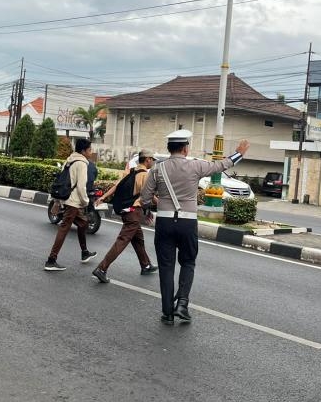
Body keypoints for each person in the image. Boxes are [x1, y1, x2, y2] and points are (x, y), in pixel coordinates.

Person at [140, 130, 250, 324]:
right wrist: (238, 153)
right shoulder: (196, 165)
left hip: (164, 223)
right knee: (188, 262)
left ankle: (167, 312)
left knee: (166, 267)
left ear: (169, 148)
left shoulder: (157, 169)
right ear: (185, 148)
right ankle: (182, 303)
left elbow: (145, 198)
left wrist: (149, 208)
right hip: (187, 223)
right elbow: (221, 165)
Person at [91, 150, 159, 283]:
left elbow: (116, 186)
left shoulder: (130, 171)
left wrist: (103, 197)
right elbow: (149, 196)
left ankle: (145, 264)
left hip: (126, 211)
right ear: (147, 160)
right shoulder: (145, 175)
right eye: (152, 160)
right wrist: (161, 206)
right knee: (122, 241)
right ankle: (102, 268)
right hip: (134, 212)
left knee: (138, 239)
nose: (153, 162)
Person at [44, 138, 98, 271]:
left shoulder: (69, 160)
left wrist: (57, 202)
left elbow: (62, 181)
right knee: (64, 229)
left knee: (83, 223)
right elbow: (81, 187)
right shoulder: (82, 164)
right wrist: (85, 202)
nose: (91, 152)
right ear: (83, 151)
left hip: (68, 199)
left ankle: (84, 252)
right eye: (90, 150)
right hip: (74, 202)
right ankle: (51, 260)